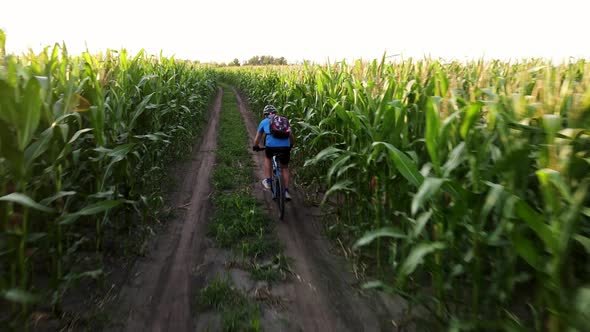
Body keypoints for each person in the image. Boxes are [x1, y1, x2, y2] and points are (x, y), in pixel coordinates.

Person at [252, 104, 294, 201]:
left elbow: (257, 138)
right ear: (276, 113)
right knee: (285, 168)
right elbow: (291, 136)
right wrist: (290, 145)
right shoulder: (284, 120)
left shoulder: (264, 122)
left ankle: (268, 181)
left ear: (265, 114)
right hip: (285, 147)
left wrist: (256, 146)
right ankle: (286, 191)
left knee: (268, 158)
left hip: (271, 147)